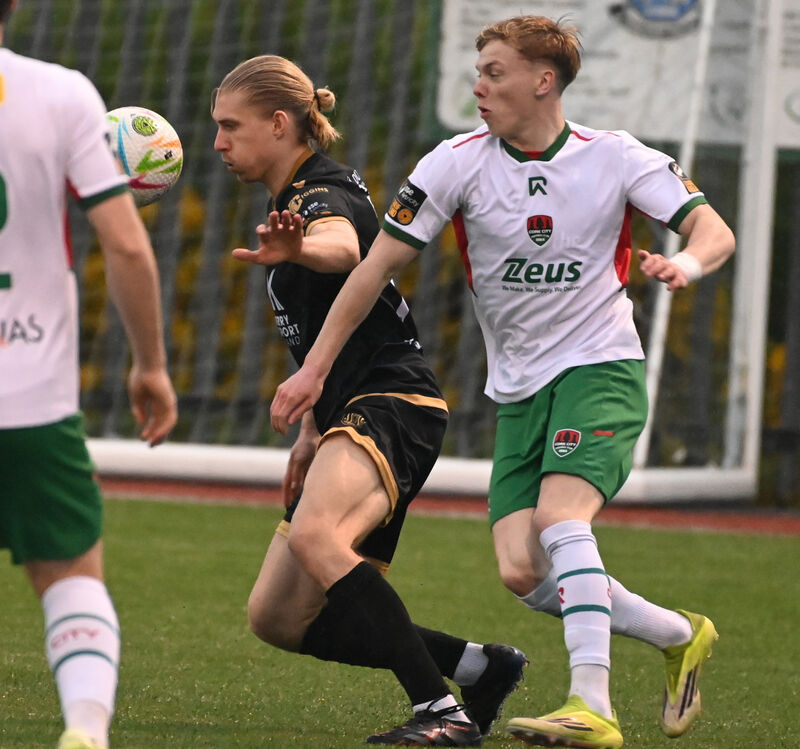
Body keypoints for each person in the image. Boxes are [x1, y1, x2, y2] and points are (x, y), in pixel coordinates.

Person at [269, 15, 735, 749]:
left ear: (544, 80)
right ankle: (680, 633)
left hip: (600, 366)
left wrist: (687, 263)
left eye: (494, 72)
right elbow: (373, 268)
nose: (479, 85)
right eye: (478, 71)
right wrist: (315, 370)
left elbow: (713, 229)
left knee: (561, 521)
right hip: (518, 390)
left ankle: (591, 705)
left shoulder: (616, 156)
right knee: (522, 570)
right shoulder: (454, 163)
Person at [212, 54, 527, 747]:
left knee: (317, 536)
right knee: (278, 617)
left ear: (279, 123)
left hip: (394, 401)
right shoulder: (291, 200)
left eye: (231, 126)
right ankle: (482, 667)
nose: (218, 143)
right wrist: (311, 432)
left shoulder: (320, 192)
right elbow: (324, 327)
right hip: (352, 412)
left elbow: (343, 248)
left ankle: (439, 714)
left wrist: (302, 250)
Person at [0, 2, 178, 748]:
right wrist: (151, 365)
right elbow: (127, 249)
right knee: (70, 573)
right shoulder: (62, 93)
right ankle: (84, 727)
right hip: (29, 396)